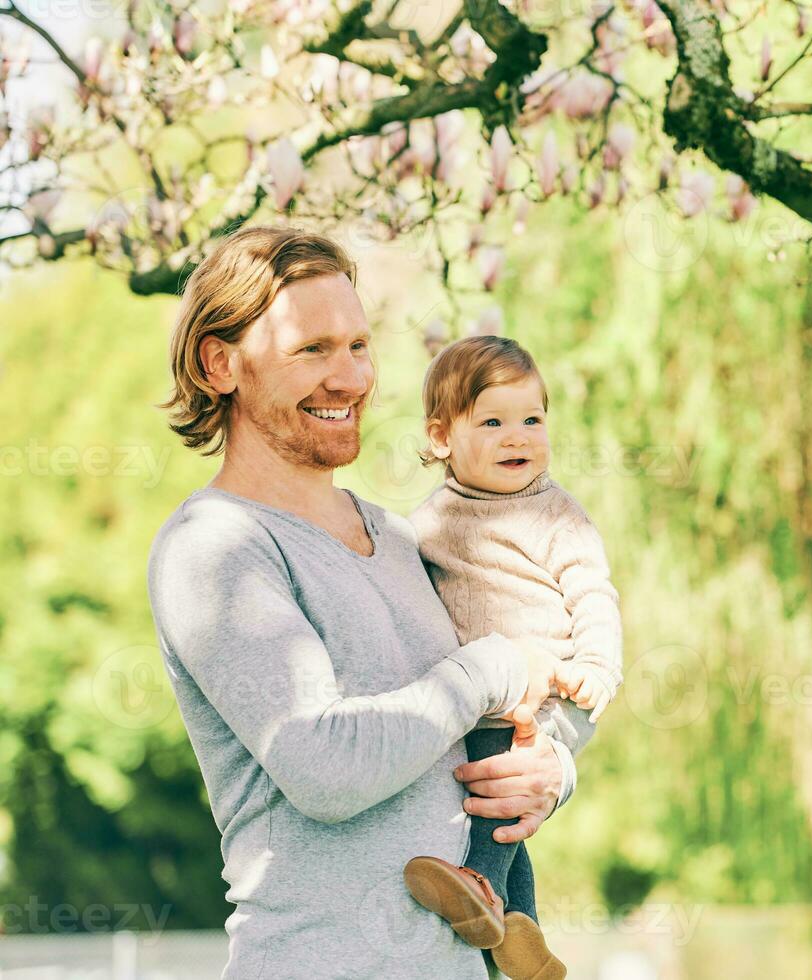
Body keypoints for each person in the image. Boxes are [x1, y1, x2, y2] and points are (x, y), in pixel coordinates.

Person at [147, 226, 581, 979]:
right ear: (220, 364)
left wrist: (549, 772)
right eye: (311, 350)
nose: (348, 378)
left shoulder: (395, 533)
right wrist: (492, 667)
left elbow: (495, 710)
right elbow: (324, 768)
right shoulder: (213, 549)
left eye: (357, 346)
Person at [402, 335, 623, 980]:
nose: (516, 437)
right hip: (479, 703)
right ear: (442, 438)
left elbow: (593, 593)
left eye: (531, 419)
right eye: (492, 422)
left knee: (495, 800)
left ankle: (475, 886)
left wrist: (597, 666)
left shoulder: (556, 515)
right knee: (501, 811)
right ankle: (522, 943)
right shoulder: (430, 519)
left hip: (553, 694)